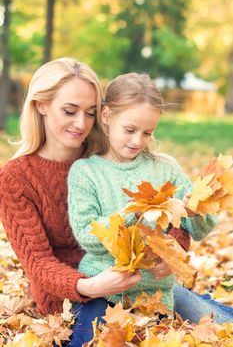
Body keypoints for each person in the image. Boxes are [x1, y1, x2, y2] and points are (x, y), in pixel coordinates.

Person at [68, 73, 233, 326]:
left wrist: (196, 210)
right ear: (106, 117)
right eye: (130, 130)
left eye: (147, 132)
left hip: (156, 295)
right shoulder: (86, 172)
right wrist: (133, 212)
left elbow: (198, 231)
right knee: (92, 338)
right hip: (104, 293)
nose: (138, 141)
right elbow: (87, 236)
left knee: (214, 326)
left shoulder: (165, 169)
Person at [0, 58, 142, 347]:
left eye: (90, 113)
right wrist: (89, 285)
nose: (81, 124)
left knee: (212, 318)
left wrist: (170, 249)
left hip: (132, 282)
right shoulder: (14, 179)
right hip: (67, 299)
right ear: (41, 105)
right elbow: (38, 262)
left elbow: (153, 210)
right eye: (69, 111)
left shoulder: (105, 159)